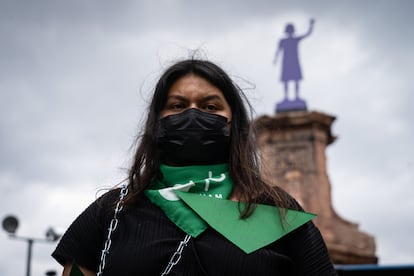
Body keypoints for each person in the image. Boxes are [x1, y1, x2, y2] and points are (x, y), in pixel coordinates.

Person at [52, 59, 337, 275]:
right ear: (157, 122)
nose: (193, 113)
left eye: (210, 107)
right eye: (177, 105)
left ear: (233, 123)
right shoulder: (113, 210)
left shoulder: (277, 212)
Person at [273, 19, 315, 101]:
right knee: (286, 80)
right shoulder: (283, 41)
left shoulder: (295, 39)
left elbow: (307, 34)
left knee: (296, 80)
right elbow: (278, 51)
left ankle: (296, 97)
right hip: (286, 62)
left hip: (294, 62)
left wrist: (311, 25)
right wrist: (275, 59)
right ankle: (286, 97)